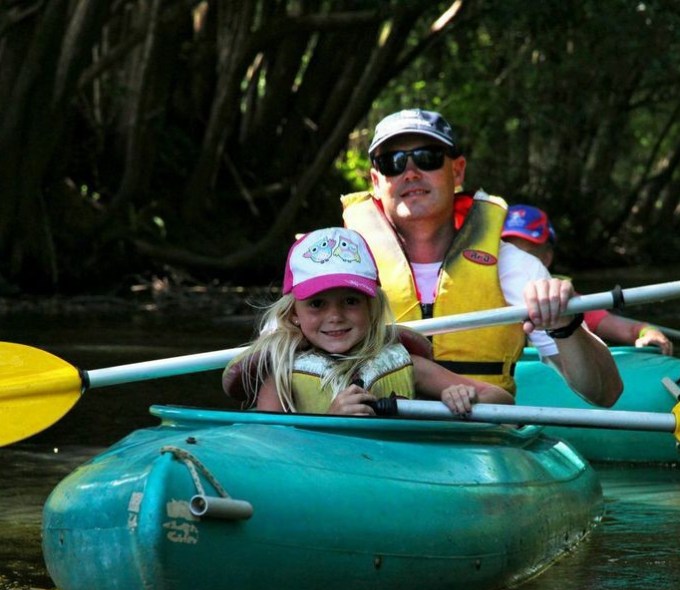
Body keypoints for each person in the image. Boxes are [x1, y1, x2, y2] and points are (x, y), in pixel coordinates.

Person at [341, 108, 623, 407]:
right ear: (375, 180)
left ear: (458, 170)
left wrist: (565, 324)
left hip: (480, 434)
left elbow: (605, 393)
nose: (410, 173)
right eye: (392, 163)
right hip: (375, 437)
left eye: (428, 158)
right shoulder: (340, 267)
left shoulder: (516, 267)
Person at [223, 227, 514, 415]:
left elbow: (501, 399)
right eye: (317, 304)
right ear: (294, 315)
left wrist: (464, 396)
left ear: (371, 307)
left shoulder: (406, 364)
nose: (334, 316)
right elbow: (266, 448)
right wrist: (331, 422)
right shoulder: (281, 377)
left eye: (351, 301)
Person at [503, 204, 674, 356]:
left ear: (547, 257)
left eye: (525, 255)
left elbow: (633, 329)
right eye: (506, 254)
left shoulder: (565, 301)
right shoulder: (479, 294)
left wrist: (649, 332)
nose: (515, 264)